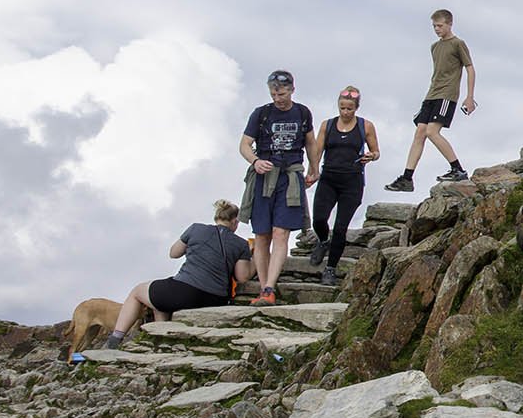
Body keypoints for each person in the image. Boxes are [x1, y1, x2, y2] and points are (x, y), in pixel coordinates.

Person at [104, 200, 255, 348]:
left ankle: (115, 338)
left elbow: (174, 253)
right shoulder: (241, 244)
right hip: (217, 298)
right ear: (235, 222)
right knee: (160, 301)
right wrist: (254, 259)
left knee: (138, 291)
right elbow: (242, 276)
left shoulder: (196, 229)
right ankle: (161, 338)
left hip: (185, 292)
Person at [240, 70, 318, 304]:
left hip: (290, 177)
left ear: (292, 89)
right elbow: (244, 144)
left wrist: (314, 169)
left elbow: (310, 142)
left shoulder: (302, 112)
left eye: (282, 93)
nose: (278, 98)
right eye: (274, 93)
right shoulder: (261, 114)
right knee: (262, 235)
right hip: (264, 177)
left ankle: (269, 289)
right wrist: (255, 160)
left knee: (280, 232)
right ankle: (264, 286)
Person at [384, 10, 475, 193]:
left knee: (432, 131)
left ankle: (457, 169)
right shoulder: (434, 47)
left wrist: (469, 96)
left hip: (447, 95)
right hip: (431, 94)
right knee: (420, 132)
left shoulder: (458, 44)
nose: (436, 29)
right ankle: (407, 178)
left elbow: (470, 68)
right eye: (434, 26)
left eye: (440, 26)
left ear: (449, 24)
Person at [307, 86, 378, 287]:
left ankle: (330, 269)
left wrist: (371, 156)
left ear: (356, 108)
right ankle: (322, 241)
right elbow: (317, 151)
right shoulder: (327, 125)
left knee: (340, 227)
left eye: (349, 109)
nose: (345, 112)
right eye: (342, 108)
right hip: (329, 178)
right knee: (319, 219)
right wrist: (312, 172)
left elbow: (376, 151)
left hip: (352, 182)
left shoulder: (366, 126)